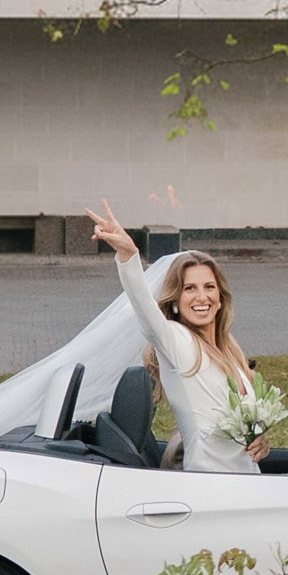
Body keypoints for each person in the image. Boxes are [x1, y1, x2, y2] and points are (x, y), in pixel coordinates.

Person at [84, 200, 268, 473]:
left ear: (220, 298)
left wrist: (260, 439)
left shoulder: (231, 352)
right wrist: (129, 256)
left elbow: (242, 431)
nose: (201, 296)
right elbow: (146, 311)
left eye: (209, 287)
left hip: (249, 483)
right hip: (209, 489)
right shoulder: (177, 342)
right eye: (189, 288)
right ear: (174, 301)